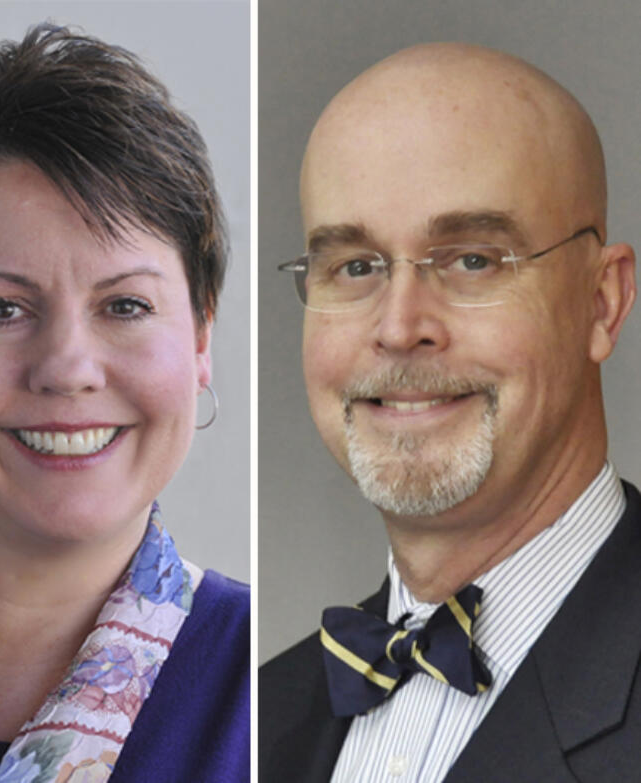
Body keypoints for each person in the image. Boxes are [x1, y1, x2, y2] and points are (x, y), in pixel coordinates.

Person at [0, 23, 250, 783]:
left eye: (125, 305)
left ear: (201, 339)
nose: (67, 368)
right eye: (2, 309)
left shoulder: (267, 685)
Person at [260, 43, 640, 782]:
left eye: (472, 259)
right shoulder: (260, 714)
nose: (401, 327)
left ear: (602, 301)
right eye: (356, 266)